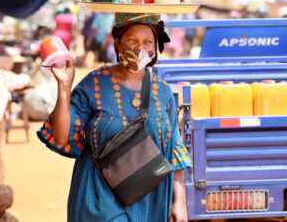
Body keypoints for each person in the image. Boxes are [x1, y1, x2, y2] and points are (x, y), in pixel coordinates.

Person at [37, 13, 191, 222]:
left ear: (155, 49)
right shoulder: (95, 84)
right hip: (100, 198)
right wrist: (64, 88)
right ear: (117, 44)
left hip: (150, 202)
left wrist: (179, 202)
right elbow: (62, 137)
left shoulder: (163, 92)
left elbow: (174, 148)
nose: (140, 48)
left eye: (147, 42)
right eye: (132, 40)